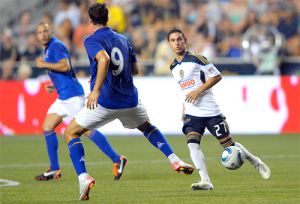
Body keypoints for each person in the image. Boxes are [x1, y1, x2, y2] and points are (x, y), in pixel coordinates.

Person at [63, 3, 195, 201]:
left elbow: (104, 59)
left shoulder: (91, 40)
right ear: (108, 19)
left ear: (90, 20)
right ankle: (175, 160)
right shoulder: (124, 39)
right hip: (130, 101)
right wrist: (100, 76)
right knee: (147, 127)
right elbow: (135, 70)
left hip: (106, 102)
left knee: (70, 132)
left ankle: (83, 177)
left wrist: (96, 89)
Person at [166, 27, 271, 190]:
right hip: (192, 113)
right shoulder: (173, 66)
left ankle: (255, 162)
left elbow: (217, 76)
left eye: (179, 39)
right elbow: (185, 90)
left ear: (185, 41)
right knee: (192, 144)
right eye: (173, 40)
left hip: (210, 111)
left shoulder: (197, 59)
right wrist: (183, 108)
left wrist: (198, 90)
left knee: (229, 146)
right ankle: (205, 180)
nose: (176, 43)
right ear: (169, 44)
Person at [34, 22, 127, 182]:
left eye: (45, 31)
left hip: (72, 96)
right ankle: (54, 169)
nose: (42, 34)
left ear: (52, 31)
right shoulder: (49, 48)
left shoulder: (56, 46)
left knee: (86, 129)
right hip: (63, 96)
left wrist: (43, 64)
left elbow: (65, 66)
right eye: (39, 32)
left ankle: (117, 159)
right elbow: (66, 73)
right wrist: (54, 85)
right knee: (47, 126)